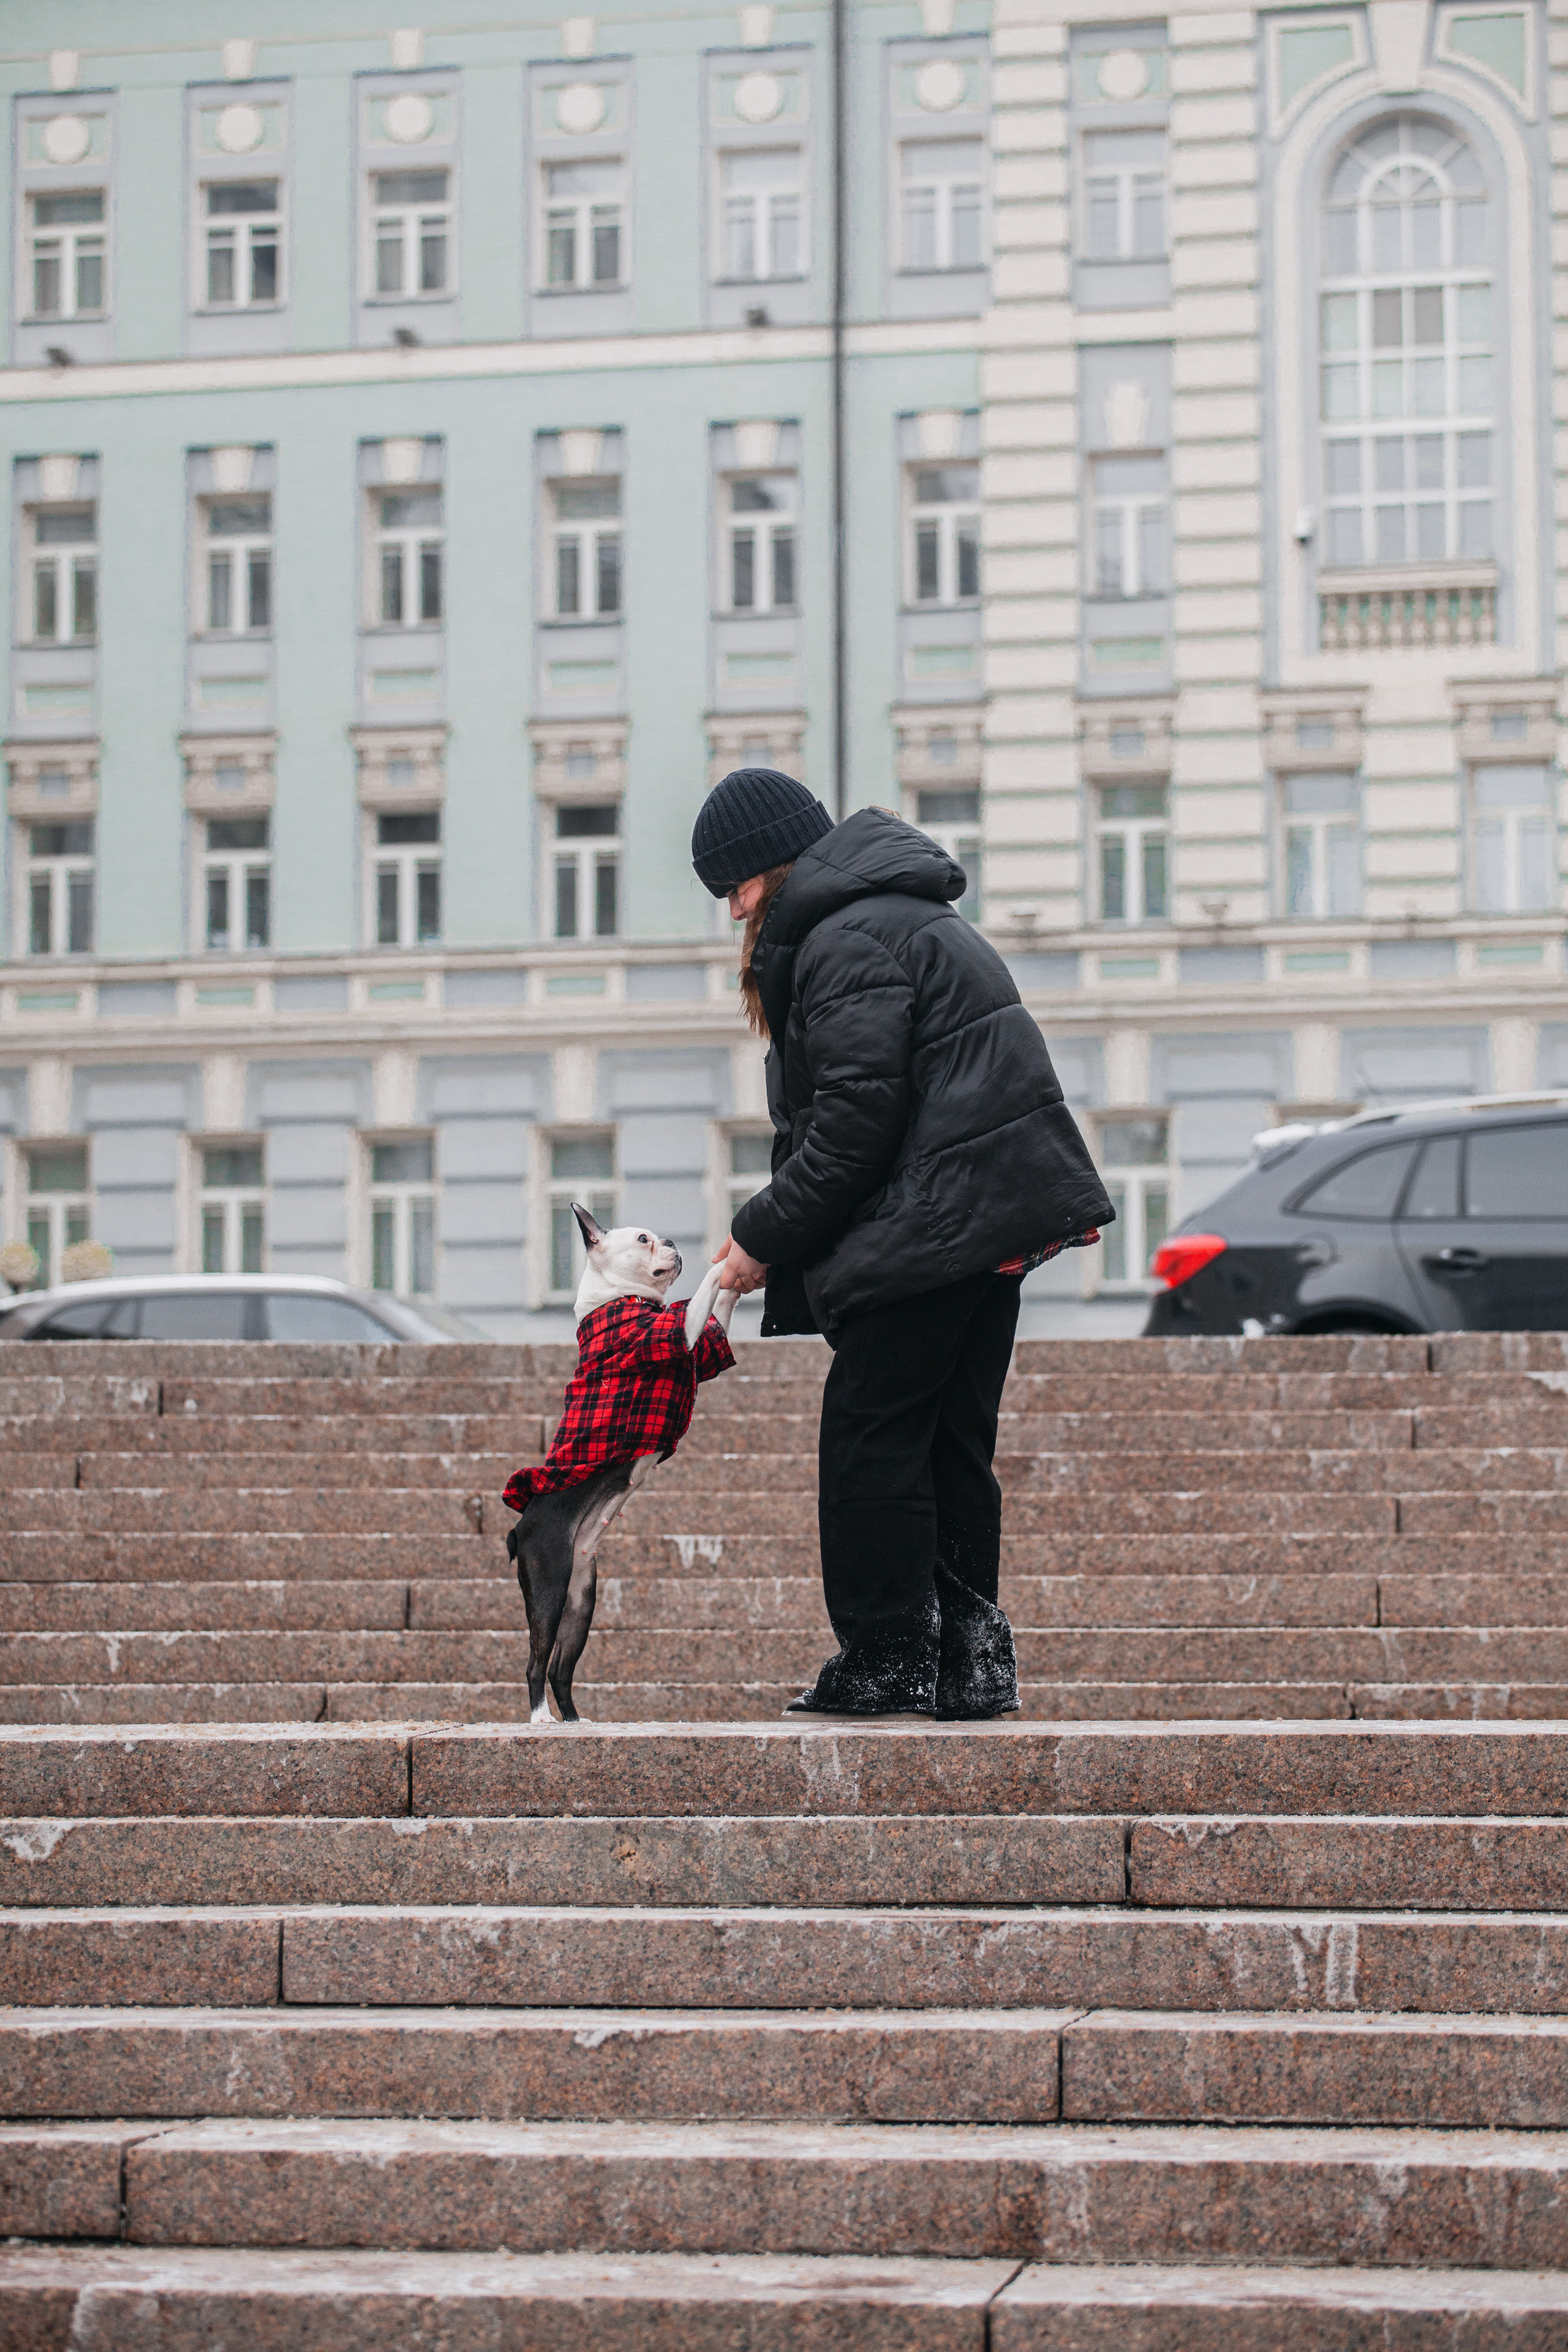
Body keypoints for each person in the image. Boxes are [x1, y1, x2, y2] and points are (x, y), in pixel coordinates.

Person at [693, 766, 1113, 1719]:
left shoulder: (845, 938)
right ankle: (970, 1660)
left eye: (736, 888)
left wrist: (759, 1236)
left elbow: (854, 1126)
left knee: (870, 1440)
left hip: (934, 1226)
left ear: (770, 866)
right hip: (985, 1218)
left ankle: (887, 1655)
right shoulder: (902, 916)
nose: (735, 912)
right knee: (949, 1444)